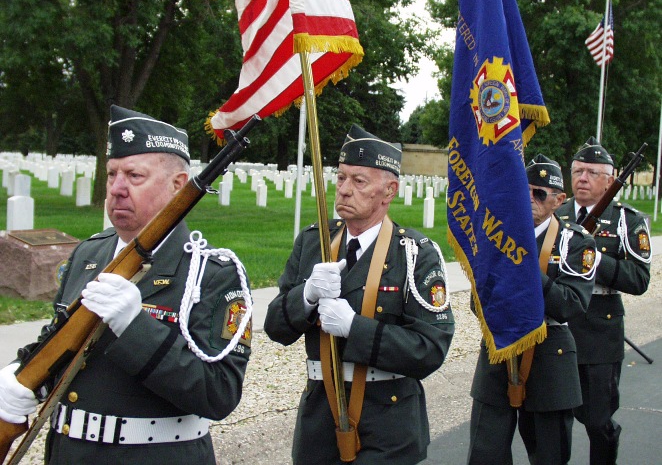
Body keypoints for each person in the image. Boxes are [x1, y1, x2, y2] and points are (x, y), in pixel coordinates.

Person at [0, 105, 252, 464]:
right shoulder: (90, 253)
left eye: (134, 175)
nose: (117, 189)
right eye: (112, 173)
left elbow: (220, 393)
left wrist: (135, 328)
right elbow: (61, 338)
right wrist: (22, 374)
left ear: (178, 185)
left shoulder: (210, 272)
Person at [264, 124, 454, 465]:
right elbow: (275, 328)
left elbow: (430, 349)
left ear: (389, 190)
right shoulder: (314, 242)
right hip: (320, 419)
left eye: (359, 181)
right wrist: (305, 296)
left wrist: (356, 327)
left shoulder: (413, 253)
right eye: (341, 178)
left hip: (387, 421)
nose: (344, 191)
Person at [467, 154, 598, 465]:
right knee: (485, 455)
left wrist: (528, 274)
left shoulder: (575, 242)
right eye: (521, 190)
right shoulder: (495, 237)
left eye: (539, 193)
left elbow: (571, 304)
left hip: (550, 359)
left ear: (559, 200)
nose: (528, 199)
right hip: (498, 353)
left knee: (549, 456)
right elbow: (476, 301)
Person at [557, 136, 651, 465]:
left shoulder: (627, 220)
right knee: (554, 421)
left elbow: (639, 279)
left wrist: (594, 260)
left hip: (600, 332)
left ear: (610, 180)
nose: (582, 178)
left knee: (598, 421)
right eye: (577, 170)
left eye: (592, 173)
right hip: (558, 328)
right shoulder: (557, 213)